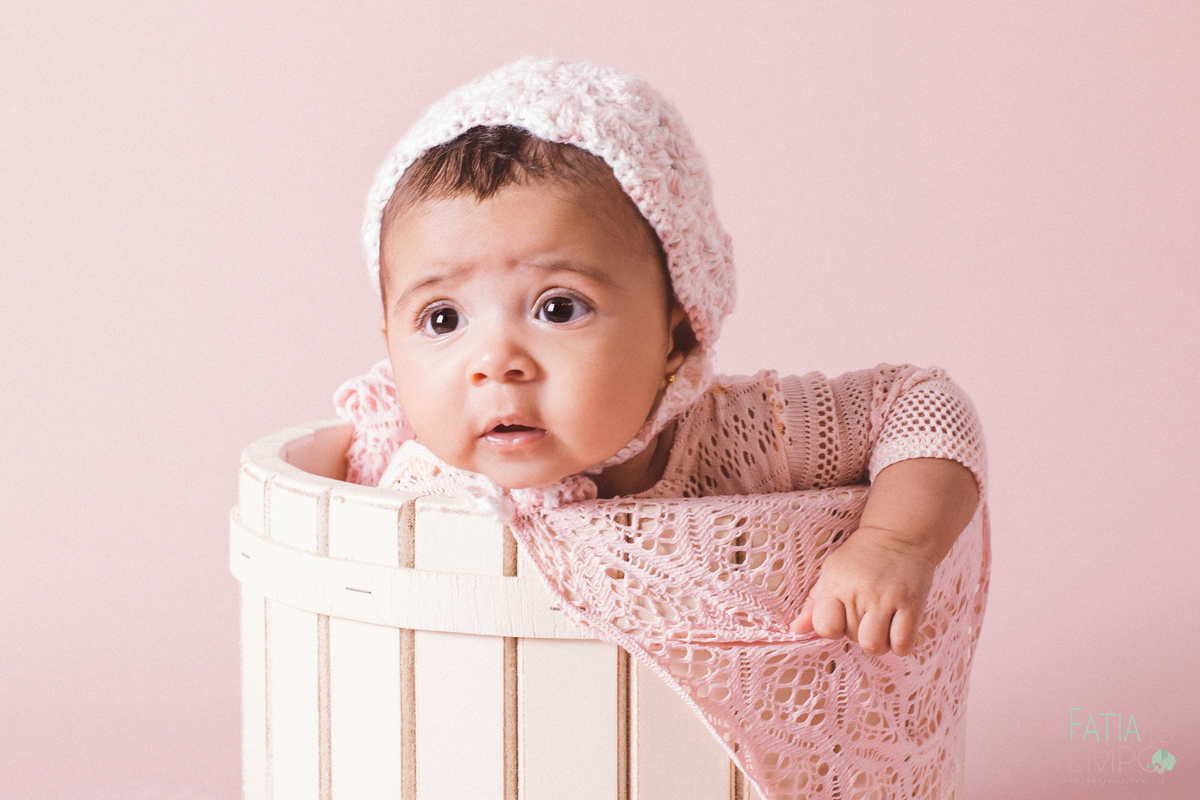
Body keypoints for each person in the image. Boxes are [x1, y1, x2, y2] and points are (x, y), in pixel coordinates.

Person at [335, 58, 988, 798]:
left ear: (677, 334)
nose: (496, 363)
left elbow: (919, 402)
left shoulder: (737, 432)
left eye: (558, 307)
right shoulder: (396, 484)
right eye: (443, 318)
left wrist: (897, 540)